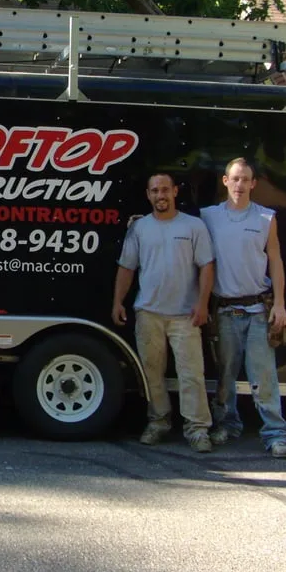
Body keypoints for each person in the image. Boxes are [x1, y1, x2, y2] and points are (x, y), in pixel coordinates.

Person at [113, 172, 215, 453]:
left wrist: (203, 303)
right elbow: (127, 267)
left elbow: (206, 266)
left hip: (185, 315)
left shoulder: (194, 226)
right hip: (148, 313)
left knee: (191, 374)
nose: (161, 195)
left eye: (165, 190)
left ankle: (197, 429)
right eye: (155, 191)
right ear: (148, 195)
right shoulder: (139, 229)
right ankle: (158, 423)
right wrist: (118, 302)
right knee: (152, 373)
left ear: (175, 192)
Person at [200, 158, 286, 459]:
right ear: (225, 181)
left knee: (263, 375)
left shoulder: (266, 218)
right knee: (225, 375)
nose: (240, 185)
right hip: (225, 310)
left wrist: (279, 303)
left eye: (245, 179)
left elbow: (276, 260)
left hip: (257, 310)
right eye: (235, 179)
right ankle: (227, 424)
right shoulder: (208, 217)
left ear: (254, 183)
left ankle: (275, 434)